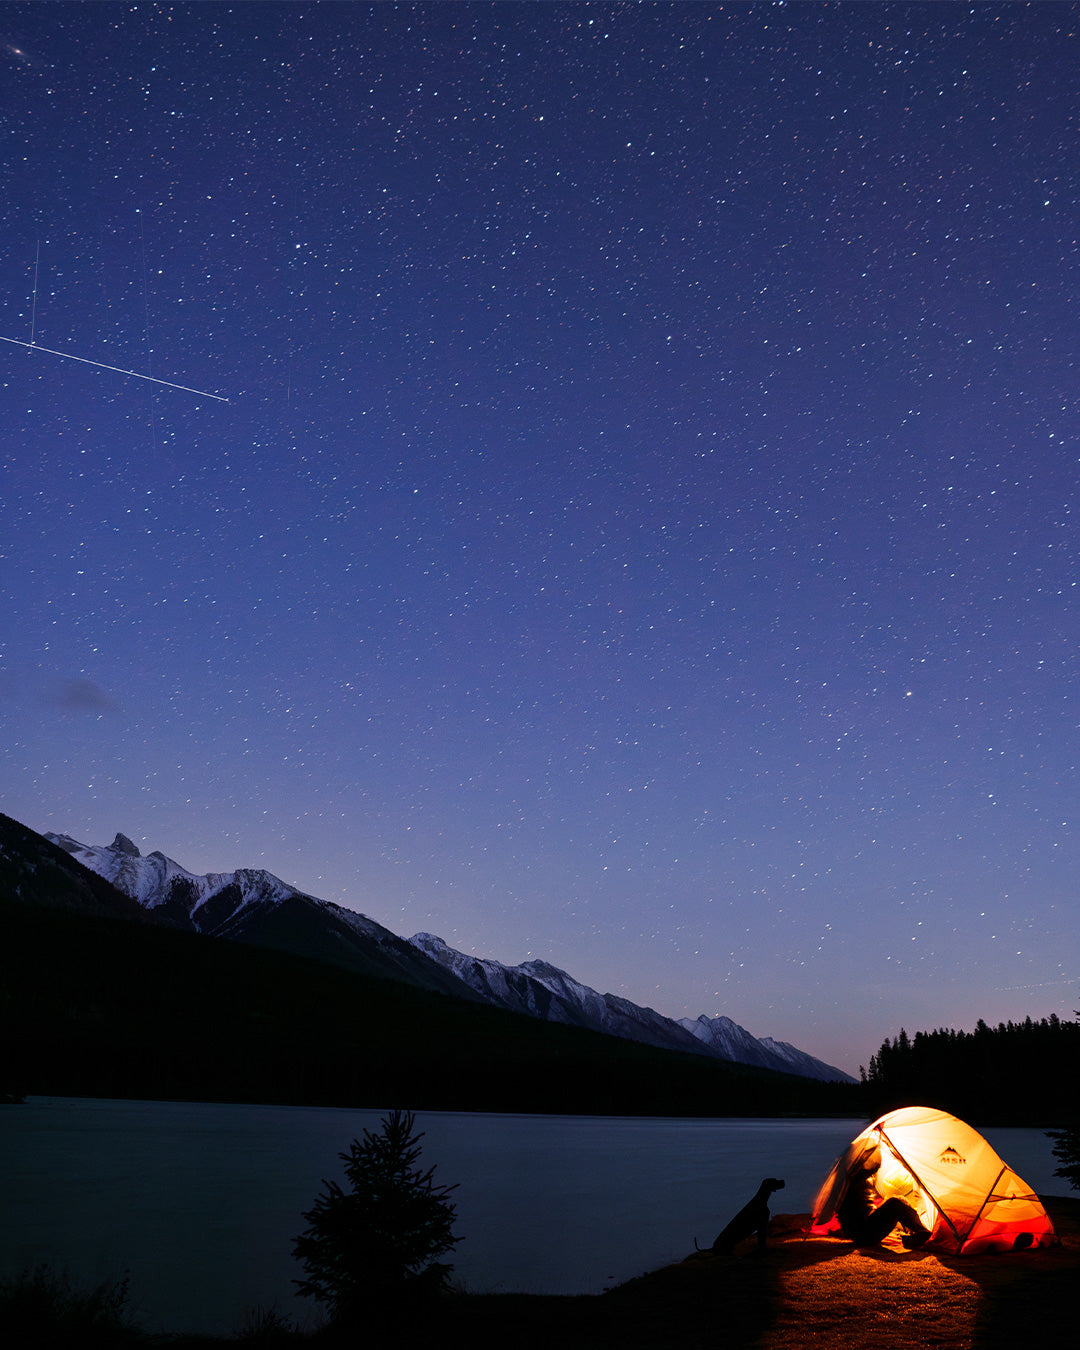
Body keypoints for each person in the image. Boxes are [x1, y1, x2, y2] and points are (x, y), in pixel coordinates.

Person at [836, 1145, 932, 1249]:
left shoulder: (857, 1177)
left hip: (865, 1229)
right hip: (863, 1233)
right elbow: (873, 1165)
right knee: (894, 1203)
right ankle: (923, 1233)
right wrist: (879, 1145)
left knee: (899, 1200)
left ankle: (916, 1232)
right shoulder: (852, 1178)